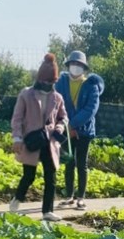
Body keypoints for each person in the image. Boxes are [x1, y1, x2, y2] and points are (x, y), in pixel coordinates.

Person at [8, 52, 69, 222]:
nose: (49, 85)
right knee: (29, 176)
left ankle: (47, 211)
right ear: (40, 79)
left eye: (52, 82)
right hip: (32, 140)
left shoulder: (57, 98)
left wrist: (59, 128)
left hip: (50, 142)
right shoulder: (26, 94)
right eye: (46, 81)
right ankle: (17, 199)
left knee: (51, 176)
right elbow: (17, 118)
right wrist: (17, 138)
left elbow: (63, 117)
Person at [54, 49, 104, 210]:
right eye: (73, 63)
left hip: (84, 131)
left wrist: (73, 125)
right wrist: (65, 125)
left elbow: (90, 110)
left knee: (82, 164)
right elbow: (56, 104)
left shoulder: (91, 85)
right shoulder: (61, 83)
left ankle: (81, 198)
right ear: (68, 65)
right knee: (69, 162)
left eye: (79, 64)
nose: (75, 67)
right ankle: (69, 196)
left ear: (84, 67)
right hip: (66, 129)